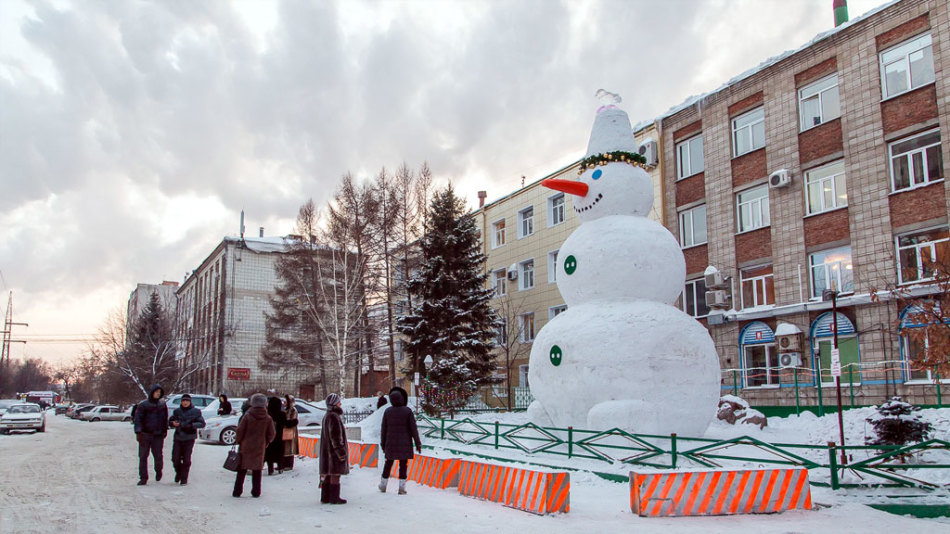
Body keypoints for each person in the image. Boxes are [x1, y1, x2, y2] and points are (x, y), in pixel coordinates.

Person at [377, 387, 422, 495]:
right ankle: (402, 488)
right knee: (403, 464)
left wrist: (383, 444)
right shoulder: (407, 411)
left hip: (390, 443)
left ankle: (383, 485)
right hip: (405, 443)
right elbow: (413, 429)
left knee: (388, 463)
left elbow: (384, 430)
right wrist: (418, 443)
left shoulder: (388, 412)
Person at [233, 393, 276, 498]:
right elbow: (272, 433)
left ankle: (237, 491)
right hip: (259, 447)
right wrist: (267, 442)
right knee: (257, 470)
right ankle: (256, 492)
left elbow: (239, 431)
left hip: (245, 446)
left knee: (241, 470)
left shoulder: (247, 416)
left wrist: (239, 441)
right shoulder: (268, 418)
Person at [133, 384, 169, 486]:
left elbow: (165, 418)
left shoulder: (162, 404)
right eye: (156, 392)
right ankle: (143, 477)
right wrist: (138, 432)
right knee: (143, 456)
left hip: (158, 435)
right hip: (145, 434)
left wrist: (165, 429)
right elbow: (138, 419)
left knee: (158, 455)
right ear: (152, 392)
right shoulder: (143, 405)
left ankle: (158, 470)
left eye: (159, 392)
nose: (158, 394)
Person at [168, 394, 206, 485]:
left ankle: (184, 478)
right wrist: (173, 424)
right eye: (183, 401)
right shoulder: (177, 411)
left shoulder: (196, 411)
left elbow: (202, 423)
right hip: (178, 437)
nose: (185, 403)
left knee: (186, 459)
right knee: (175, 458)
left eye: (187, 401)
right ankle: (179, 472)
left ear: (190, 402)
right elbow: (170, 422)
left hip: (189, 437)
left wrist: (191, 426)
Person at [319, 393, 349, 504]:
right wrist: (341, 452)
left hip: (327, 451)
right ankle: (334, 497)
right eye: (338, 402)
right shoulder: (334, 417)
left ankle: (325, 496)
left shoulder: (327, 416)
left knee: (328, 473)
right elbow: (336, 437)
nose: (340, 403)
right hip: (333, 453)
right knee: (335, 474)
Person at [264, 396, 287, 475]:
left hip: (269, 437)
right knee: (279, 454)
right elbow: (286, 424)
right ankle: (280, 467)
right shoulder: (282, 414)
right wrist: (294, 422)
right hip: (279, 437)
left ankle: (270, 469)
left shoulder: (267, 414)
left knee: (269, 454)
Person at [282, 395, 299, 471]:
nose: (284, 403)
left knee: (290, 447)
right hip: (285, 430)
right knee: (284, 447)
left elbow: (292, 421)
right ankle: (283, 463)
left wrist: (285, 422)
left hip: (290, 431)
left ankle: (289, 464)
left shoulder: (293, 410)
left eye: (285, 402)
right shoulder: (285, 410)